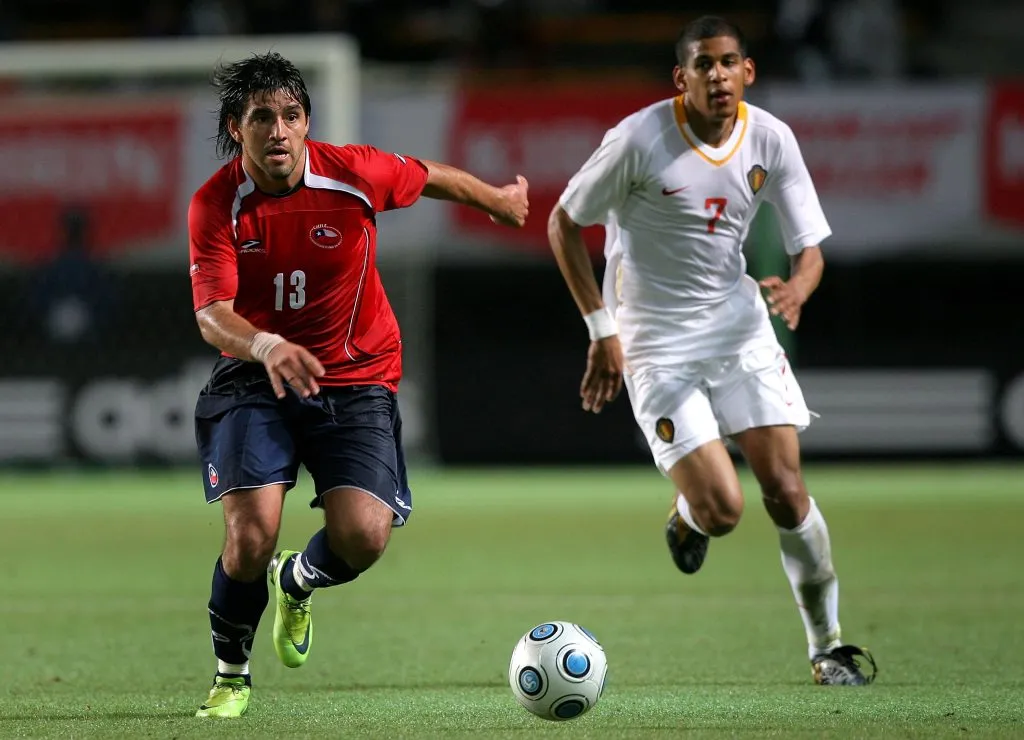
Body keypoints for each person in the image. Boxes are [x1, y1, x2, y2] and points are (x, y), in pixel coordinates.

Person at [188, 51, 528, 718]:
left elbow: (429, 175)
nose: (278, 131)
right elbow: (211, 315)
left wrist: (495, 200)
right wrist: (265, 344)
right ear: (237, 127)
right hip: (255, 377)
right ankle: (231, 676)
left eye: (291, 116)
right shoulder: (215, 205)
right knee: (250, 534)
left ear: (307, 121)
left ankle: (300, 578)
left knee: (365, 537)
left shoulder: (352, 173)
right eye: (262, 118)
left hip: (355, 378)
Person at [547, 15, 876, 686]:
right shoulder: (639, 139)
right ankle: (690, 517)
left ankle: (828, 646)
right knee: (725, 510)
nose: (719, 75)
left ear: (747, 71)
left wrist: (800, 290)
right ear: (683, 77)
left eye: (730, 62)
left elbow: (808, 248)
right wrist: (600, 329)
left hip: (739, 331)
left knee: (785, 491)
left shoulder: (771, 139)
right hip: (655, 346)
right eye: (704, 65)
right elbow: (561, 221)